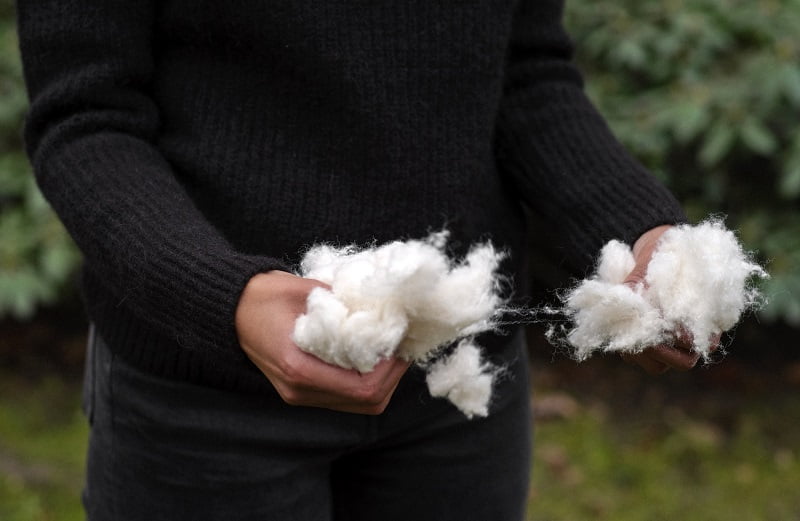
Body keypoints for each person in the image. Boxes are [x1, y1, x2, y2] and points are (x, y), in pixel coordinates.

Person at [17, 0, 706, 519]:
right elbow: (87, 119)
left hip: (457, 398)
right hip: (202, 410)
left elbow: (524, 75)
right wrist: (223, 298)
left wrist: (637, 233)